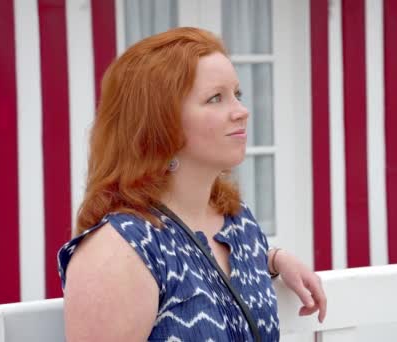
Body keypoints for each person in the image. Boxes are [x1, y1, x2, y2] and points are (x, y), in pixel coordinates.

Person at [57, 27, 327, 341]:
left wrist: (273, 259)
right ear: (159, 122)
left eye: (237, 94)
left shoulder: (238, 225)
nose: (242, 111)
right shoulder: (118, 251)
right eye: (216, 98)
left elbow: (206, 269)